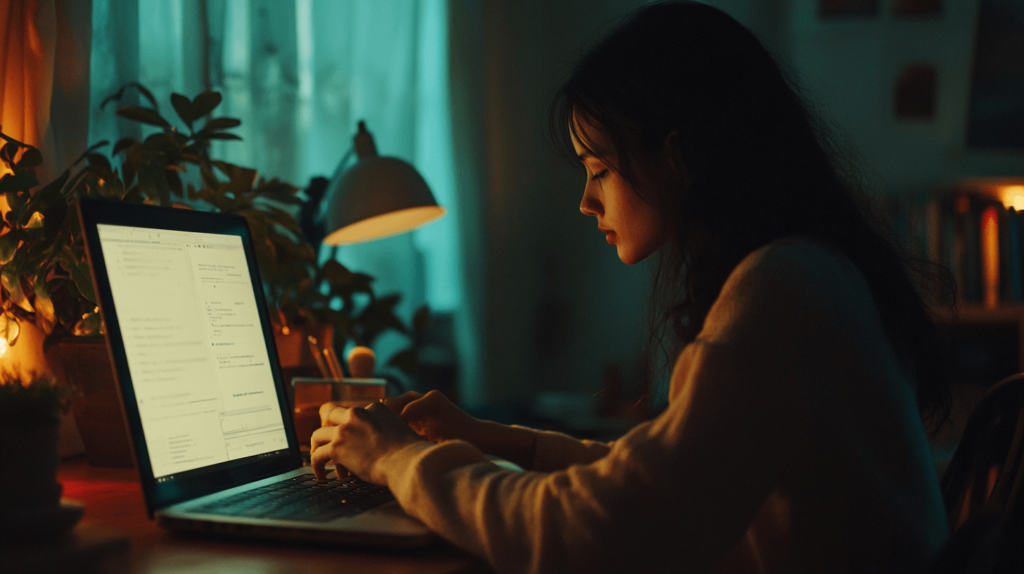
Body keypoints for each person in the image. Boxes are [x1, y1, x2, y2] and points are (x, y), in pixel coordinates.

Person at [311, 2, 953, 572]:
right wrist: (503, 441)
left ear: (679, 157)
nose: (587, 202)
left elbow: (602, 532)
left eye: (599, 168)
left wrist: (397, 461)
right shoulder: (812, 270)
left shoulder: (783, 289)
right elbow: (668, 484)